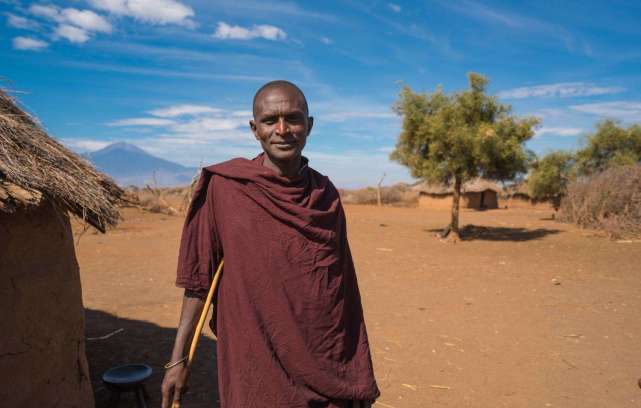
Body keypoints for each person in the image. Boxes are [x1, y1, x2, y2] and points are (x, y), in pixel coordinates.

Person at [161, 80, 380, 407]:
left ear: (310, 126)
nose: (282, 129)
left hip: (324, 357)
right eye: (269, 121)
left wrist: (357, 371)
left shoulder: (326, 195)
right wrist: (177, 360)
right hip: (256, 353)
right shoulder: (225, 188)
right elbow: (198, 281)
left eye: (293, 118)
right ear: (254, 129)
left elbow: (342, 290)